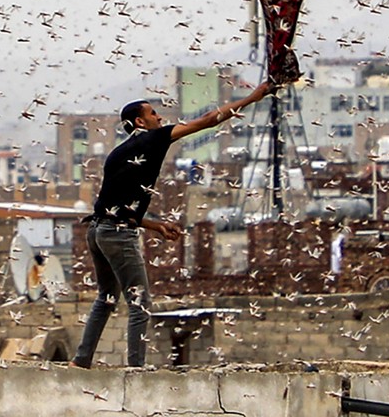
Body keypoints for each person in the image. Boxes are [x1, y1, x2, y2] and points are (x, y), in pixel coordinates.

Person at [70, 80, 273, 369]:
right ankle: (135, 370)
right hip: (117, 234)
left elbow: (115, 205)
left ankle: (81, 361)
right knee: (139, 303)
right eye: (154, 114)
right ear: (140, 121)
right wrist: (252, 98)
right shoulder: (153, 139)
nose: (160, 118)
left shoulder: (117, 154)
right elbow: (205, 121)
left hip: (97, 231)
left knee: (106, 298)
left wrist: (154, 226)